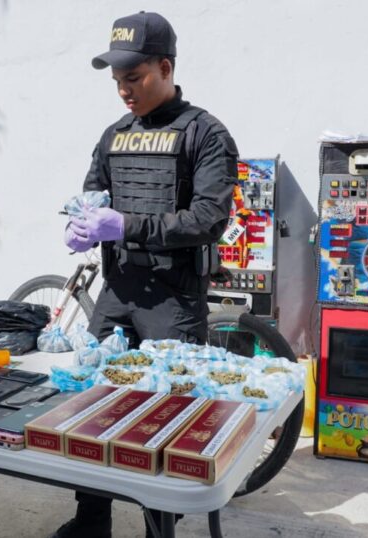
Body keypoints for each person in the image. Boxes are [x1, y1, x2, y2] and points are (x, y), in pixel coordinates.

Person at [54, 11, 239, 538]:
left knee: (166, 420)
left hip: (172, 299)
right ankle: (92, 519)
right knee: (91, 402)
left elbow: (209, 219)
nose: (123, 91)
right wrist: (81, 224)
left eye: (133, 79)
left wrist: (126, 224)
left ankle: (161, 528)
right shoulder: (114, 135)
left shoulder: (205, 133)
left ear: (165, 66)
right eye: (117, 81)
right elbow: (91, 194)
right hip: (118, 294)